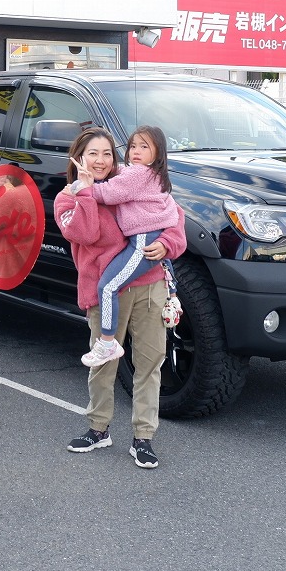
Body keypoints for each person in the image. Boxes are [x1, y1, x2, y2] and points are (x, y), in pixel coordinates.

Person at [54, 127, 187, 469]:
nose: (100, 161)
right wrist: (85, 191)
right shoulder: (68, 198)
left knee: (149, 364)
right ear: (78, 158)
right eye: (92, 154)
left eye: (107, 154)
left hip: (150, 285)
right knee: (103, 363)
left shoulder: (133, 182)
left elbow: (174, 218)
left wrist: (168, 244)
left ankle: (144, 437)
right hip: (104, 289)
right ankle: (98, 429)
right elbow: (86, 232)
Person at [74, 125, 179, 368]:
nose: (136, 151)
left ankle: (108, 342)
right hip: (150, 237)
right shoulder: (151, 174)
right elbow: (121, 174)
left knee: (108, 286)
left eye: (144, 147)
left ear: (158, 153)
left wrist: (85, 188)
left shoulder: (137, 174)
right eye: (133, 146)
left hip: (143, 239)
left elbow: (111, 192)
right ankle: (173, 294)